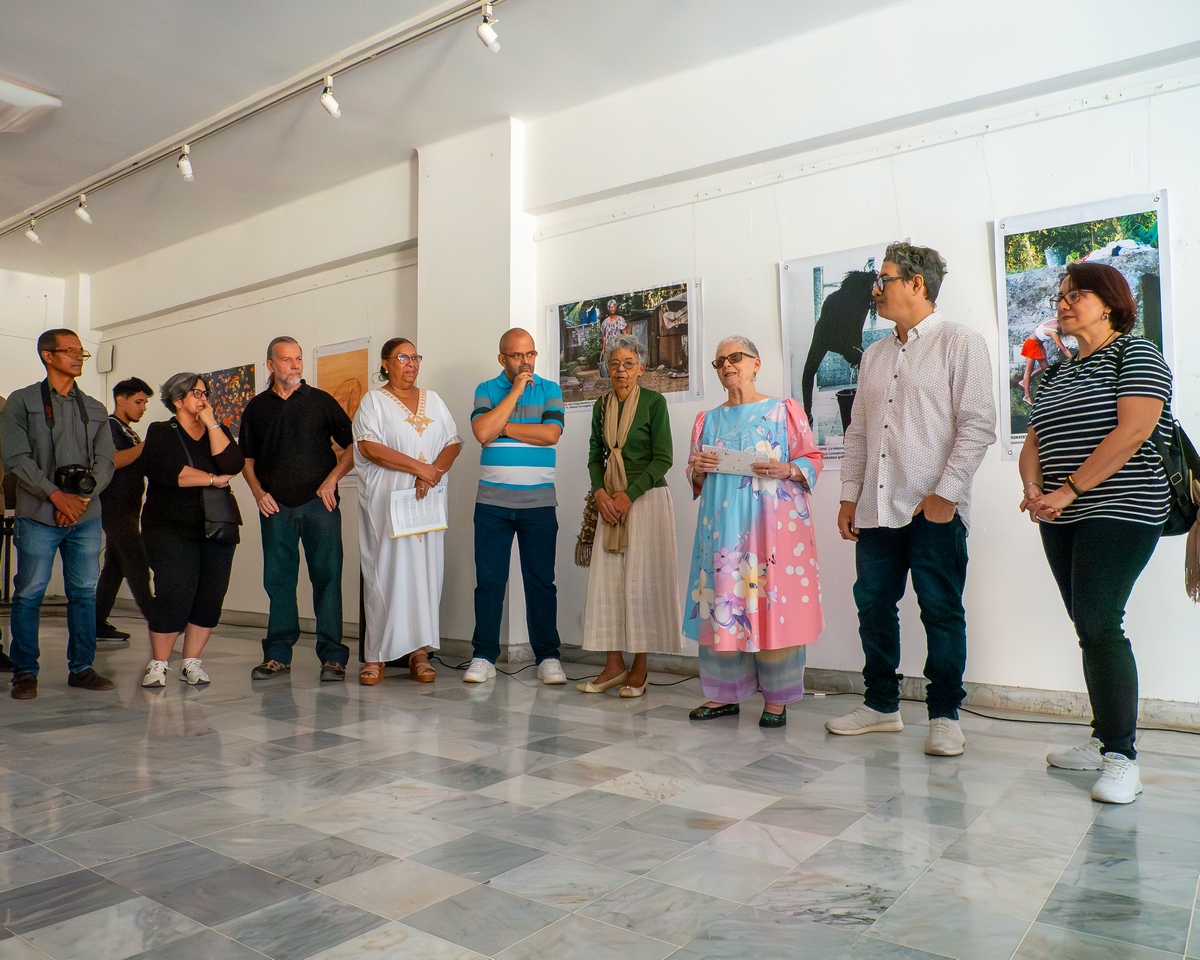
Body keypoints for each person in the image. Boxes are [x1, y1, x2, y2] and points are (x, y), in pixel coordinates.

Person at [827, 242, 996, 756]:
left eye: (885, 279)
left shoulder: (959, 343)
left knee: (940, 609)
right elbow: (857, 433)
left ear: (916, 284)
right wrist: (848, 495)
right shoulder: (875, 354)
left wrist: (947, 494)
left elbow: (978, 424)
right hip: (876, 505)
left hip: (933, 507)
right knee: (873, 603)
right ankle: (881, 705)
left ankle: (944, 715)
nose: (876, 289)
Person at [1019, 263, 1173, 804]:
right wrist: (1035, 489)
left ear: (1108, 302)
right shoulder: (1058, 372)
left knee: (1101, 622)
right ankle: (1101, 738)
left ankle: (1121, 757)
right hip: (1063, 515)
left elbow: (1133, 430)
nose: (1062, 304)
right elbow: (1034, 439)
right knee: (1088, 625)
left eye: (1075, 295)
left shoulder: (1137, 354)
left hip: (1124, 508)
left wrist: (1067, 491)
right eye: (1060, 296)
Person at [683, 336, 824, 727]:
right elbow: (693, 475)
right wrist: (698, 470)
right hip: (723, 531)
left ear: (756, 363)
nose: (727, 365)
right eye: (719, 361)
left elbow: (811, 457)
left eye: (735, 357)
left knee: (771, 603)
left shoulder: (784, 411)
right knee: (723, 603)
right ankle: (723, 696)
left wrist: (787, 469)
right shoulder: (706, 420)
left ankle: (776, 700)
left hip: (773, 531)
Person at [1, 329, 116, 699]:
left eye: (81, 351)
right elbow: (16, 457)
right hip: (37, 512)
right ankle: (25, 671)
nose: (79, 357)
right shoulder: (20, 401)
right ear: (48, 356)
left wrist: (79, 500)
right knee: (30, 592)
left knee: (84, 593)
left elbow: (107, 461)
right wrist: (55, 495)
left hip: (85, 514)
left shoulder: (95, 408)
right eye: (70, 351)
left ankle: (82, 668)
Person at [240, 337, 355, 683]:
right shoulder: (257, 408)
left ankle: (333, 657)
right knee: (279, 581)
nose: (295, 366)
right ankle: (277, 655)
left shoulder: (321, 402)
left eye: (299, 359)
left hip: (320, 505)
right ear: (270, 365)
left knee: (328, 578)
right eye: (287, 360)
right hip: (276, 507)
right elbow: (246, 459)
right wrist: (258, 492)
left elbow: (354, 447)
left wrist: (332, 479)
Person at [353, 338, 462, 684]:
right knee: (386, 574)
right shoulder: (374, 401)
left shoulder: (434, 400)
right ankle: (376, 655)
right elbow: (369, 447)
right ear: (385, 363)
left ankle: (419, 653)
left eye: (416, 357)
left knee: (425, 574)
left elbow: (452, 442)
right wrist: (420, 469)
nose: (411, 363)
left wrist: (433, 473)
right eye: (403, 357)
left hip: (426, 503)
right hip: (389, 505)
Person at [578, 334, 681, 698]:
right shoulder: (601, 405)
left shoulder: (654, 402)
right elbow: (595, 455)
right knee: (607, 583)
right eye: (615, 364)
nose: (621, 371)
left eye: (629, 364)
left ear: (641, 368)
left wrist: (628, 495)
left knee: (643, 583)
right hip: (610, 501)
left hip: (647, 499)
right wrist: (601, 493)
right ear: (607, 368)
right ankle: (613, 664)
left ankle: (640, 667)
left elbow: (663, 458)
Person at [465, 327, 566, 684]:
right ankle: (483, 657)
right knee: (489, 582)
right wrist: (517, 391)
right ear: (502, 358)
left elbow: (551, 434)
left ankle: (548, 658)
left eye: (531, 354)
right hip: (492, 504)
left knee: (541, 582)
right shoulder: (486, 389)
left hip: (538, 504)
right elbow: (480, 433)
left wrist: (502, 427)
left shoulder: (551, 389)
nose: (526, 362)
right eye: (517, 356)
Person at [138, 373, 245, 687]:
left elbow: (231, 463)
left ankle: (191, 662)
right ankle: (158, 665)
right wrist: (212, 480)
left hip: (215, 527)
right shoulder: (160, 431)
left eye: (205, 392)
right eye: (196, 393)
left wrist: (212, 423)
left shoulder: (218, 431)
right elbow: (170, 473)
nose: (203, 398)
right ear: (177, 399)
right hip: (169, 527)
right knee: (175, 593)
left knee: (210, 596)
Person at [95, 377, 155, 642]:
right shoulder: (109, 426)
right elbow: (112, 461)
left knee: (115, 567)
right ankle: (159, 620)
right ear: (121, 400)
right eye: (139, 402)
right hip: (114, 508)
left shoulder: (128, 430)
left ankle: (96, 623)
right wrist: (145, 447)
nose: (143, 408)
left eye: (145, 403)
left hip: (129, 510)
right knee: (137, 563)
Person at [1019, 318, 1074, 403]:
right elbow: (1064, 350)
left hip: (1038, 344)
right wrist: (1074, 361)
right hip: (1031, 344)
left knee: (1045, 367)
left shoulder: (1053, 319)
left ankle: (1024, 381)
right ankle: (1026, 396)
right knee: (1028, 371)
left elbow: (1038, 325)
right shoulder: (1053, 332)